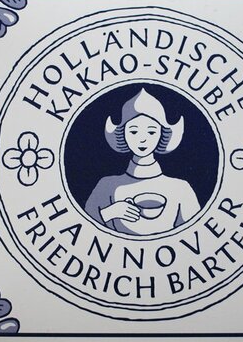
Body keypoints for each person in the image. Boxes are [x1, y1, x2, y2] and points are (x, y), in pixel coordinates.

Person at [84, 88, 201, 236]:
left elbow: (197, 234)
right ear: (122, 134)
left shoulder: (181, 188)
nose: (142, 139)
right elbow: (83, 229)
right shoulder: (106, 186)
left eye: (151, 132)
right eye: (134, 131)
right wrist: (109, 213)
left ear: (162, 135)